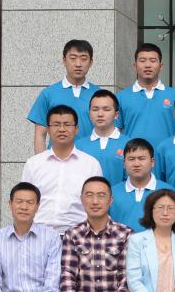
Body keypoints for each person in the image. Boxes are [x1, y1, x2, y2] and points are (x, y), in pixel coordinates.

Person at [22, 105, 103, 234]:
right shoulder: (33, 164)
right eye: (56, 124)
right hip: (39, 233)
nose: (61, 129)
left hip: (79, 235)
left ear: (76, 129)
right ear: (48, 129)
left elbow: (97, 203)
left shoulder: (91, 164)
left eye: (67, 124)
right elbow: (25, 201)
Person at [27, 39, 99, 152]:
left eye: (83, 58)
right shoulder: (49, 93)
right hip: (57, 159)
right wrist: (40, 161)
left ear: (91, 62)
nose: (78, 64)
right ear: (64, 61)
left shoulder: (99, 95)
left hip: (90, 157)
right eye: (73, 58)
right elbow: (40, 134)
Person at [116, 42, 175, 147]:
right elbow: (115, 132)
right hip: (133, 155)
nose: (147, 65)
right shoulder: (121, 97)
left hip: (166, 155)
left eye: (153, 60)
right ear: (135, 66)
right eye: (142, 61)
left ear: (161, 66)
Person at [109, 138, 175, 232]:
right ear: (124, 163)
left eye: (141, 158)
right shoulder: (111, 193)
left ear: (152, 162)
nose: (136, 164)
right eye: (131, 159)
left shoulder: (168, 192)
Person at [75, 90, 127, 184]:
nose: (100, 114)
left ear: (116, 115)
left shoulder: (128, 144)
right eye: (95, 109)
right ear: (89, 114)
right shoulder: (78, 146)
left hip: (118, 193)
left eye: (106, 109)